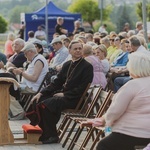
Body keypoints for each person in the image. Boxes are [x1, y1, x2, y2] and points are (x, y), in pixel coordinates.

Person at [29, 40, 93, 144]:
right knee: (39, 100)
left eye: (80, 48)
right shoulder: (67, 64)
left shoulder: (87, 66)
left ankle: (52, 136)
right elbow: (57, 82)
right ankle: (45, 133)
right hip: (64, 97)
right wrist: (41, 93)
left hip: (76, 99)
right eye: (75, 49)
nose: (78, 51)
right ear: (70, 50)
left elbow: (83, 87)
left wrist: (64, 94)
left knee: (47, 105)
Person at [96, 52, 150, 150]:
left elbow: (115, 111)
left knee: (103, 145)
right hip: (146, 135)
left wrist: (107, 121)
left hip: (132, 132)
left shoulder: (133, 85)